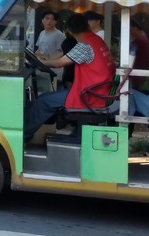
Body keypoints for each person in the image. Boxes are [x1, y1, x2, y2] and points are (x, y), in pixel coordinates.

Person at [24, 14, 116, 143]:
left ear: (70, 31)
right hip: (98, 91)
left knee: (43, 101)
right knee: (46, 98)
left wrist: (41, 62)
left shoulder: (85, 45)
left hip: (89, 95)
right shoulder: (96, 40)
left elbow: (60, 63)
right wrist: (44, 61)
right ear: (87, 25)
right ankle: (76, 135)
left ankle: (23, 135)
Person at [35, 11, 65, 78]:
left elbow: (63, 52)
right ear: (42, 20)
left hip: (54, 70)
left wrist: (49, 60)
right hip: (43, 68)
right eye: (47, 18)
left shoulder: (59, 35)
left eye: (52, 19)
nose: (49, 21)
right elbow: (39, 50)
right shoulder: (42, 33)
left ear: (55, 22)